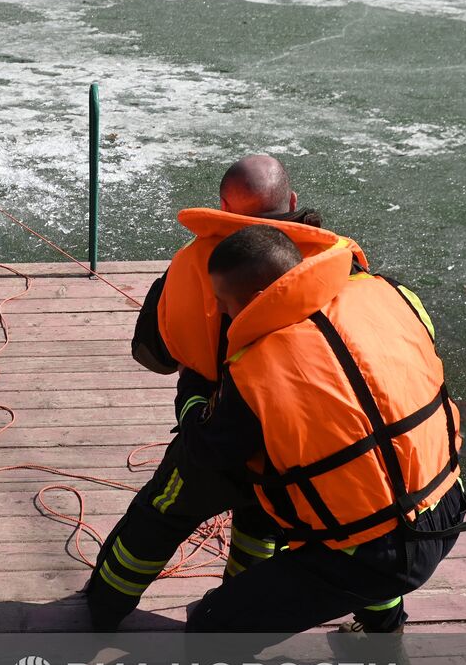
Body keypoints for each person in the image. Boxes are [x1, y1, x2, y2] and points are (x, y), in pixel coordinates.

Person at [158, 225, 466, 665]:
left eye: (223, 305)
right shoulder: (388, 297)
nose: (222, 315)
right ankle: (385, 656)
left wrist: (195, 396)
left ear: (244, 301)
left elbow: (208, 453)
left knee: (217, 629)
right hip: (445, 508)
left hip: (376, 551)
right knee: (365, 516)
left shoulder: (257, 369)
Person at [86, 155, 381, 634]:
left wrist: (195, 374)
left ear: (222, 207)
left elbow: (152, 356)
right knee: (264, 527)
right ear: (292, 202)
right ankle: (244, 603)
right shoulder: (337, 264)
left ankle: (103, 610)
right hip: (308, 452)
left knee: (157, 519)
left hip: (220, 436)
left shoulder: (192, 267)